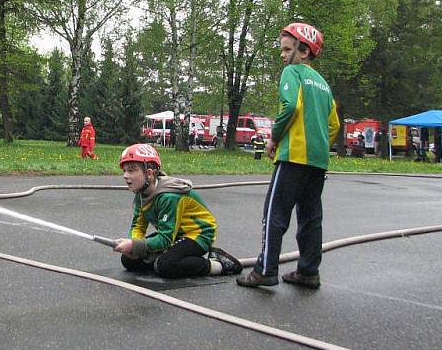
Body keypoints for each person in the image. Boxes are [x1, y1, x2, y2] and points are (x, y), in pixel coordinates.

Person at [237, 22, 339, 290]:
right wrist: (319, 144)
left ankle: (265, 270)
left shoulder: (291, 72)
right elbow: (334, 125)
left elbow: (291, 105)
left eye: (286, 49)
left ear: (303, 51)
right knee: (310, 217)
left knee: (275, 214)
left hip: (292, 158)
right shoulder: (323, 84)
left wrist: (275, 138)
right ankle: (308, 271)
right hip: (317, 161)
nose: (282, 55)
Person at [112, 143, 242, 278]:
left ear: (149, 174)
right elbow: (138, 226)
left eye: (131, 170)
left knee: (166, 265)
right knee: (129, 260)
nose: (125, 175)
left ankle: (219, 264)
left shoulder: (169, 197)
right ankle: (165, 260)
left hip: (198, 234)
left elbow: (165, 239)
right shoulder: (141, 194)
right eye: (124, 170)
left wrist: (137, 246)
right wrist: (134, 245)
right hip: (175, 233)